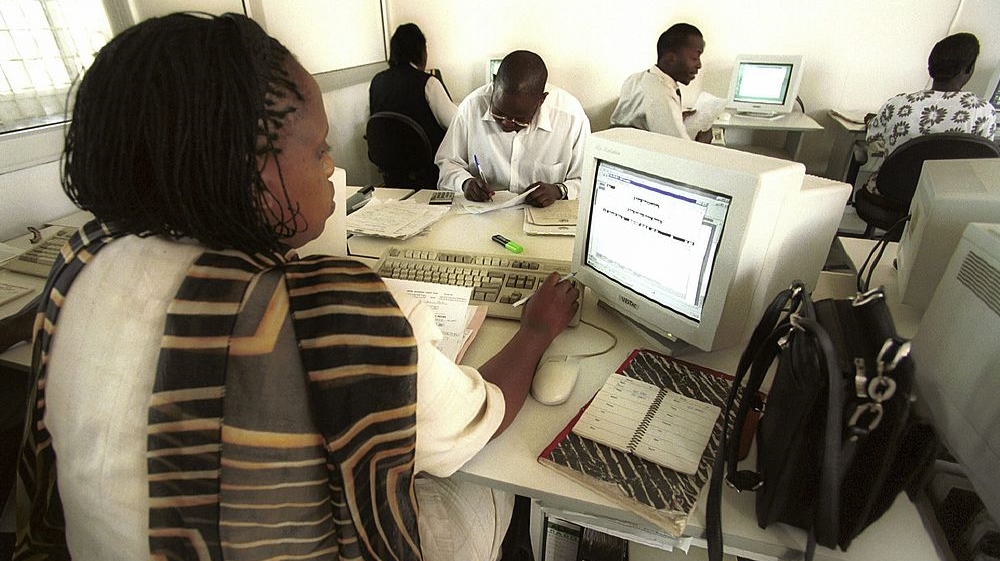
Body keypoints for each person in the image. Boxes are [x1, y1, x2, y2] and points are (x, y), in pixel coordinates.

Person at [15, 13, 579, 561]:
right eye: (317, 149)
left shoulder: (81, 260)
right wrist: (535, 330)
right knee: (493, 475)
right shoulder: (338, 312)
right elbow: (475, 425)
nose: (333, 165)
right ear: (243, 167)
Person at [435, 50, 591, 207]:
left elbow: (587, 179)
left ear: (541, 100)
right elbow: (448, 163)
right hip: (484, 213)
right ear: (494, 82)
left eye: (520, 118)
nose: (507, 123)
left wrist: (559, 190)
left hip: (545, 216)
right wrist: (465, 183)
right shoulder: (471, 107)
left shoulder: (571, 117)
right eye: (499, 113)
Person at [864, 32, 996, 192]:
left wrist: (872, 121)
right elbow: (983, 159)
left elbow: (874, 139)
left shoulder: (897, 104)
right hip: (943, 199)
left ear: (931, 67)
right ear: (969, 69)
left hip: (890, 194)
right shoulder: (984, 111)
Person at [610, 23, 713, 143]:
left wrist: (675, 117)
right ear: (670, 58)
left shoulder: (636, 79)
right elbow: (680, 151)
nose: (699, 65)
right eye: (695, 58)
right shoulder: (662, 96)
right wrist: (703, 143)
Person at [369, 24, 457, 154]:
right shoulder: (428, 83)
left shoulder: (377, 81)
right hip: (426, 162)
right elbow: (454, 122)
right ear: (420, 51)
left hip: (389, 160)